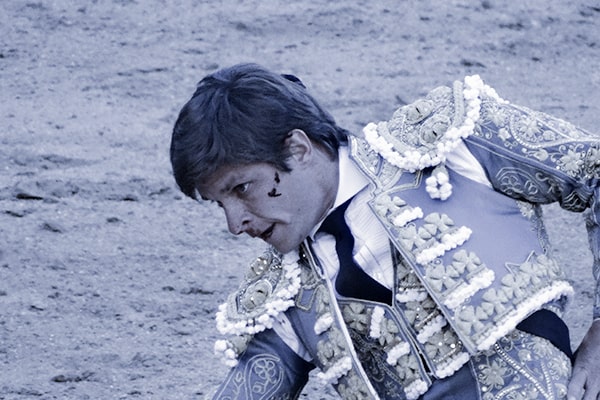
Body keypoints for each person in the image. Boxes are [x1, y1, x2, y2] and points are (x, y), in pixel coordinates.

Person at [169, 63, 600, 399]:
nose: (234, 223)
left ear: (298, 149)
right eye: (220, 203)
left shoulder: (449, 143)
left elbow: (594, 169)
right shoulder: (284, 297)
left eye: (242, 188)